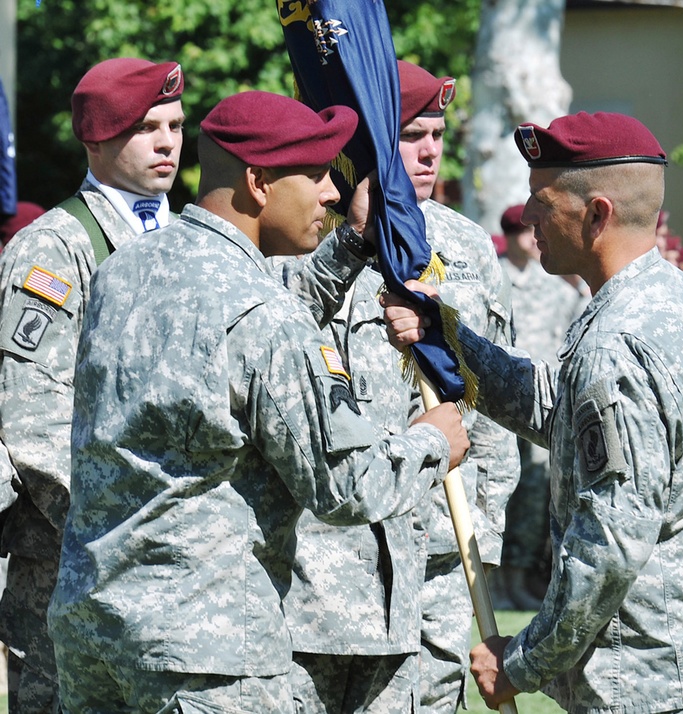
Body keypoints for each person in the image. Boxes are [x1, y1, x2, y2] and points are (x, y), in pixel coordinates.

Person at [44, 90, 470, 712]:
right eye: (318, 174)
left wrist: (352, 240)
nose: (331, 191)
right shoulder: (264, 313)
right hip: (205, 651)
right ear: (259, 182)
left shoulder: (124, 270)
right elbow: (346, 486)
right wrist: (434, 440)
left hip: (94, 631)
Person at [385, 111, 683, 713]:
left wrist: (522, 661)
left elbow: (610, 542)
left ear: (597, 214)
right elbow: (558, 407)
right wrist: (446, 338)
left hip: (662, 679)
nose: (527, 220)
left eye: (541, 202)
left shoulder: (616, 344)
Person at [281, 59, 518, 714]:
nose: (430, 152)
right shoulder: (312, 242)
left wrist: (485, 533)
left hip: (442, 548)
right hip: (328, 556)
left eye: (439, 136)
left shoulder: (465, 246)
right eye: (412, 136)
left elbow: (490, 409)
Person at [0, 57, 185, 712]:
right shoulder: (57, 247)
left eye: (175, 125)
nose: (167, 143)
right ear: (97, 138)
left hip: (175, 559)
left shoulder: (189, 242)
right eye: (146, 128)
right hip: (75, 566)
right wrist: (114, 522)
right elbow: (32, 414)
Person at [490, 203, 582, 612]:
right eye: (524, 232)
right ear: (510, 236)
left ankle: (520, 577)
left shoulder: (558, 290)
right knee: (497, 492)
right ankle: (494, 583)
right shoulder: (492, 278)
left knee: (533, 498)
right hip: (496, 406)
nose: (533, 238)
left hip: (543, 405)